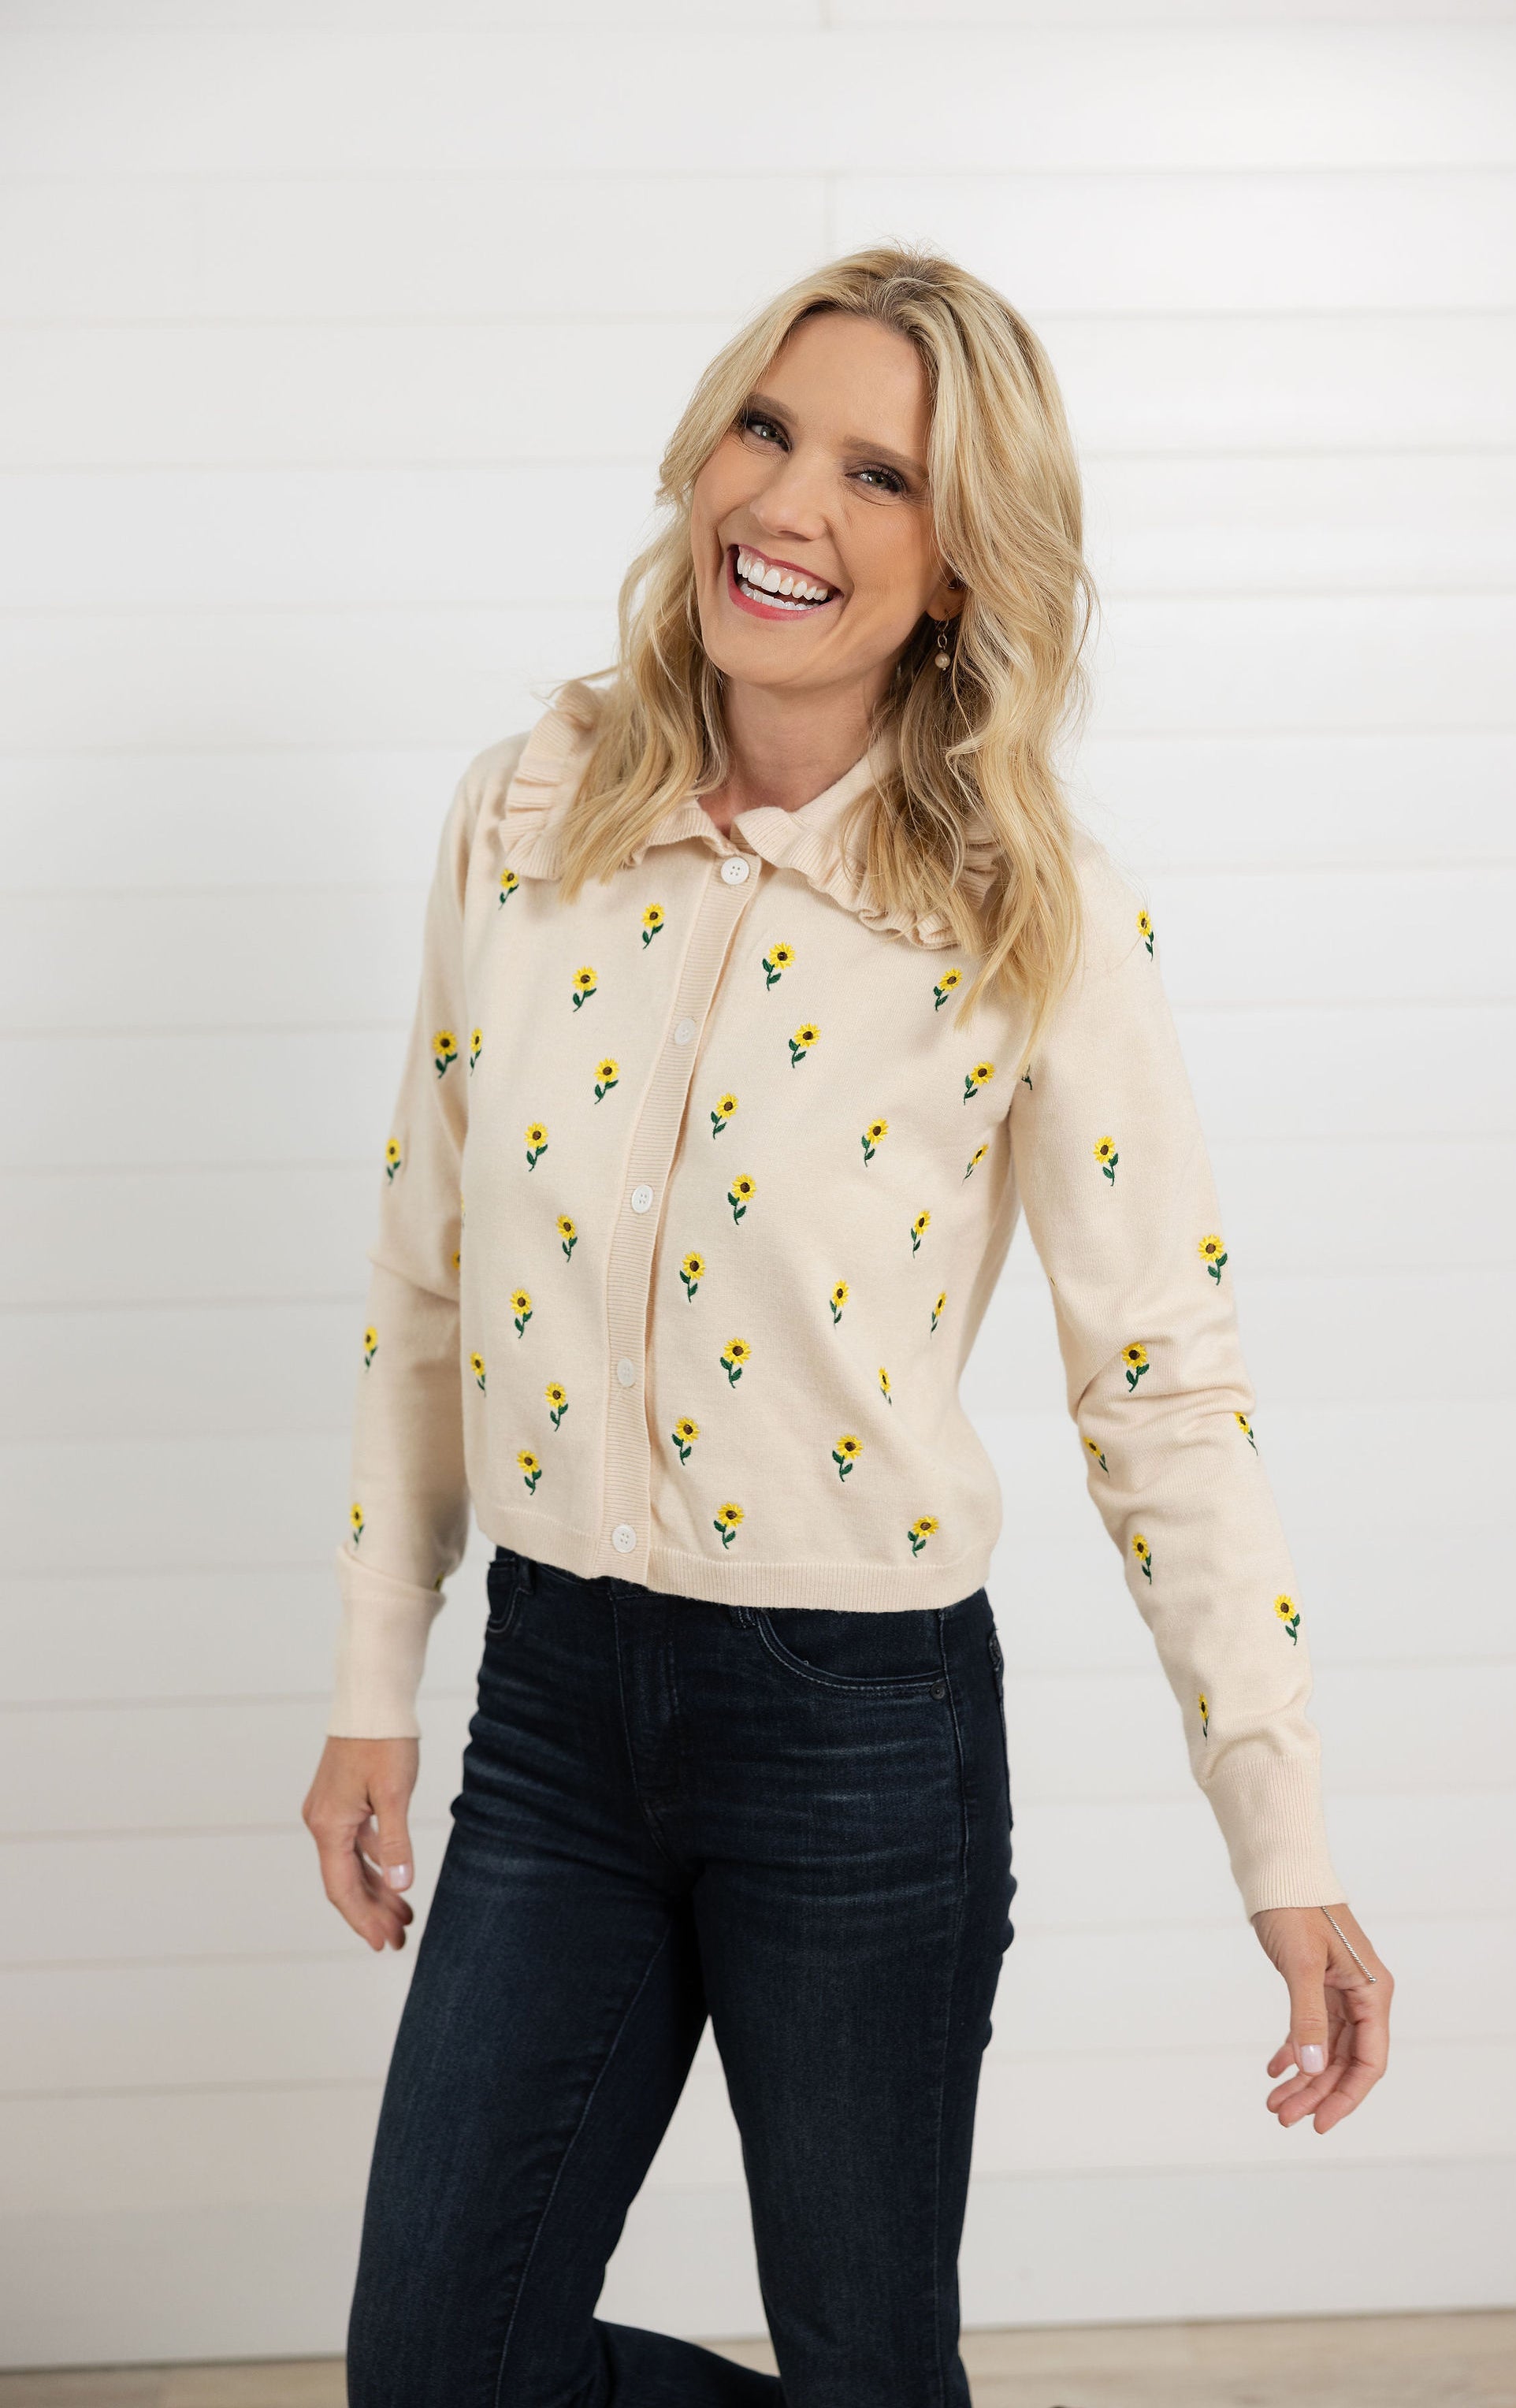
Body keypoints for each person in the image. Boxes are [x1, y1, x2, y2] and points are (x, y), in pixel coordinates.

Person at [302, 243, 1392, 2408]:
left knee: (867, 2368)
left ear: (962, 564)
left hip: (857, 1741)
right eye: (768, 428)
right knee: (439, 2367)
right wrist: (371, 1682)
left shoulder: (1027, 912)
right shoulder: (527, 819)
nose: (788, 505)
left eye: (880, 476)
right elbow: (427, 1266)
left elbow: (1161, 1384)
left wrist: (1285, 1847)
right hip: (554, 1707)